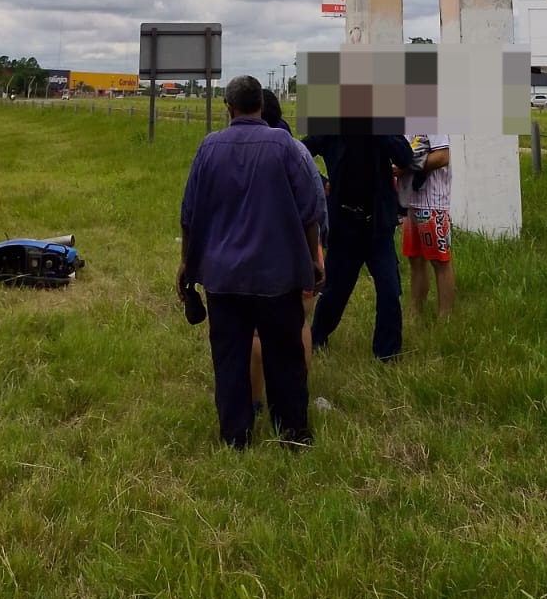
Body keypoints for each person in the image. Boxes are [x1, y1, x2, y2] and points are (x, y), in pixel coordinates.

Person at [177, 74, 323, 449]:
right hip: (277, 275)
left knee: (229, 359)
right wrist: (313, 260)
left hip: (223, 278)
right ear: (262, 104)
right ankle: (292, 433)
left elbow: (189, 215)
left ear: (229, 108)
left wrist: (186, 265)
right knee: (286, 356)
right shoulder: (284, 145)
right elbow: (308, 211)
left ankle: (235, 437)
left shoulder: (209, 147)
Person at [301, 131, 414, 362]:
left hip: (377, 226)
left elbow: (405, 157)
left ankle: (387, 354)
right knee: (334, 291)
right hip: (344, 225)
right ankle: (317, 339)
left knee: (390, 290)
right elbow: (299, 154)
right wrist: (321, 182)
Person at [251, 87, 328, 414]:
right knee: (299, 324)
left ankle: (254, 401)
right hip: (303, 253)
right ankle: (297, 394)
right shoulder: (298, 151)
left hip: (256, 255)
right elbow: (318, 206)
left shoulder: (243, 150)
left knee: (256, 329)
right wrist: (318, 251)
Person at [398, 133, 455, 319]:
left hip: (433, 201)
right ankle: (415, 311)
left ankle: (444, 317)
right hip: (410, 200)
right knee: (414, 258)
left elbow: (442, 156)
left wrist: (406, 167)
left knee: (439, 260)